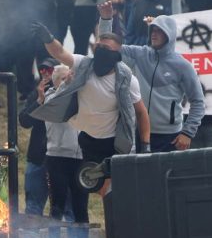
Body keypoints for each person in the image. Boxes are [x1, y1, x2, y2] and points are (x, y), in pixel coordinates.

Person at [29, 23, 151, 192]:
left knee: (118, 188)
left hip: (114, 140)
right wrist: (48, 38)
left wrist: (145, 146)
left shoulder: (126, 80)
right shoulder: (83, 64)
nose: (100, 50)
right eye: (98, 46)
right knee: (99, 188)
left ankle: (120, 216)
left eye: (106, 48)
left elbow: (141, 112)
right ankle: (111, 215)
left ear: (116, 55)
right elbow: (60, 53)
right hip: (87, 138)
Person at [98, 2, 205, 152]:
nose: (154, 33)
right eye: (152, 30)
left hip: (170, 137)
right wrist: (106, 19)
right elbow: (107, 48)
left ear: (169, 35)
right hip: (138, 133)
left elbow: (199, 102)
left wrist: (188, 133)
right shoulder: (139, 54)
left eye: (159, 31)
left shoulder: (183, 66)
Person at [42, 65, 89, 238]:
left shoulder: (81, 98)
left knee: (81, 206)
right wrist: (65, 86)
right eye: (61, 78)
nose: (66, 81)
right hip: (57, 157)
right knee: (57, 205)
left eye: (68, 78)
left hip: (79, 158)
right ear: (54, 81)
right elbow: (57, 106)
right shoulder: (50, 97)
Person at [19, 58, 60, 217]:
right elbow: (24, 121)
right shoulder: (36, 93)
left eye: (48, 70)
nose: (43, 72)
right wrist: (39, 100)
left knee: (58, 208)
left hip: (60, 158)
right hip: (37, 158)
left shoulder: (68, 93)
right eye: (41, 69)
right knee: (33, 208)